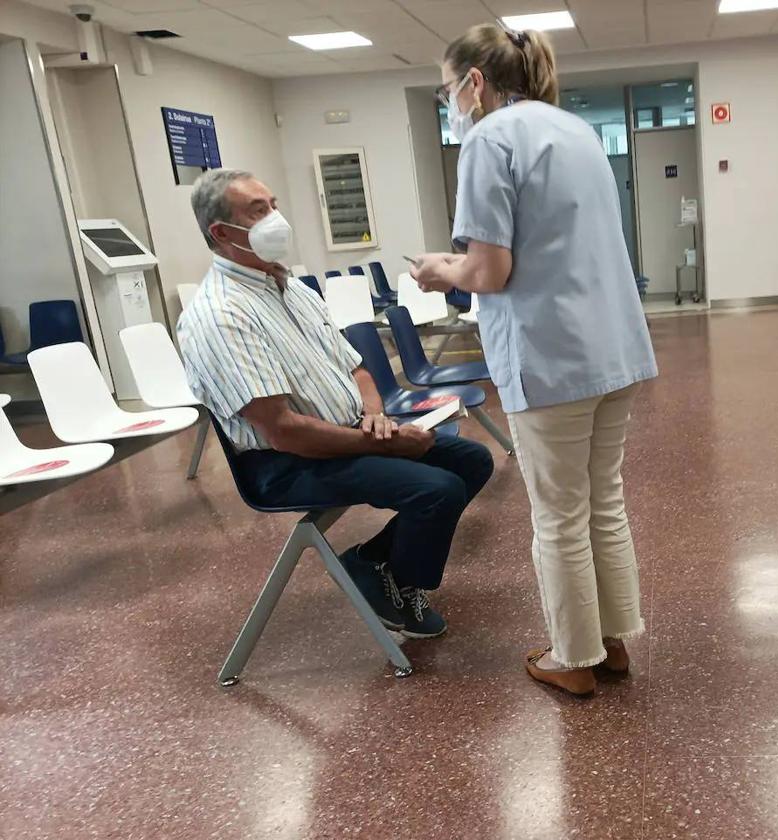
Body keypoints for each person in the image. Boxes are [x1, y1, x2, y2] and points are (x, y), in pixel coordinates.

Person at [411, 23, 658, 696]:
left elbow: (489, 270)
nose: (449, 104)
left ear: (475, 83)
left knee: (559, 512)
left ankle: (571, 658)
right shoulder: (574, 131)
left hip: (552, 357)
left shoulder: (489, 140)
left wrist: (442, 269)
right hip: (614, 348)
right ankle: (610, 642)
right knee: (602, 499)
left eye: (446, 90)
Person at [178, 169, 493, 640]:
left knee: (471, 459)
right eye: (258, 211)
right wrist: (384, 446)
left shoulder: (292, 289)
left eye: (274, 204)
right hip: (285, 462)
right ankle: (396, 583)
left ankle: (372, 563)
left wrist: (376, 416)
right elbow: (283, 430)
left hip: (346, 434)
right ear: (221, 233)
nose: (276, 219)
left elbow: (358, 369)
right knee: (436, 490)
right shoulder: (221, 315)